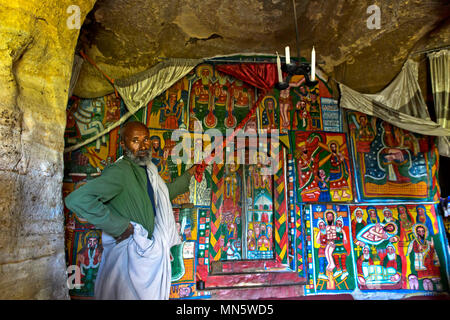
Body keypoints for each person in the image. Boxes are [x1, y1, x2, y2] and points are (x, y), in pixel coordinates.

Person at [65, 121, 199, 300]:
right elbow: (77, 199)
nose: (143, 146)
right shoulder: (121, 171)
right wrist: (121, 227)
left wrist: (189, 175)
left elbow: (162, 196)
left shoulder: (148, 170)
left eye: (146, 139)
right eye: (135, 140)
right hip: (129, 260)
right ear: (123, 145)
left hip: (148, 258)